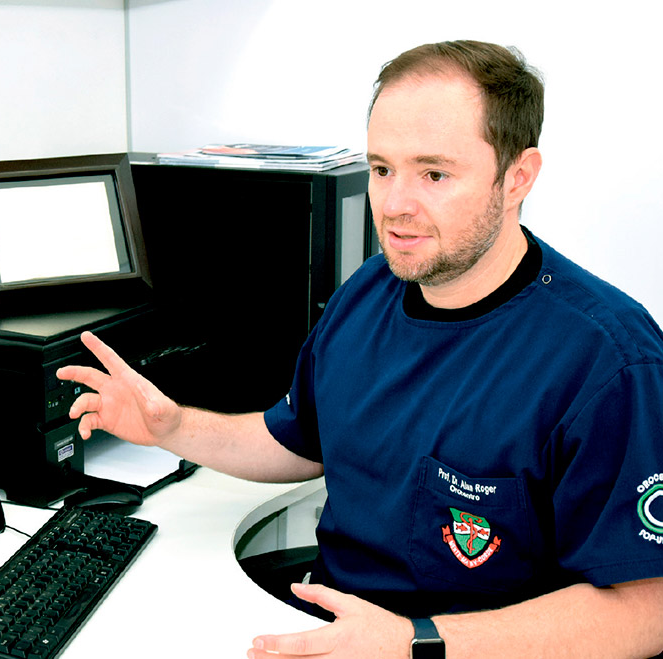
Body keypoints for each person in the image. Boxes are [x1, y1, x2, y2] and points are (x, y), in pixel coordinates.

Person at [57, 40, 663, 658]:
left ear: (518, 178)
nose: (395, 206)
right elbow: (298, 441)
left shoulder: (608, 359)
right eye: (381, 169)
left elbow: (648, 611)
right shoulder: (371, 290)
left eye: (434, 173)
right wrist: (174, 426)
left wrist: (414, 641)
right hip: (336, 623)